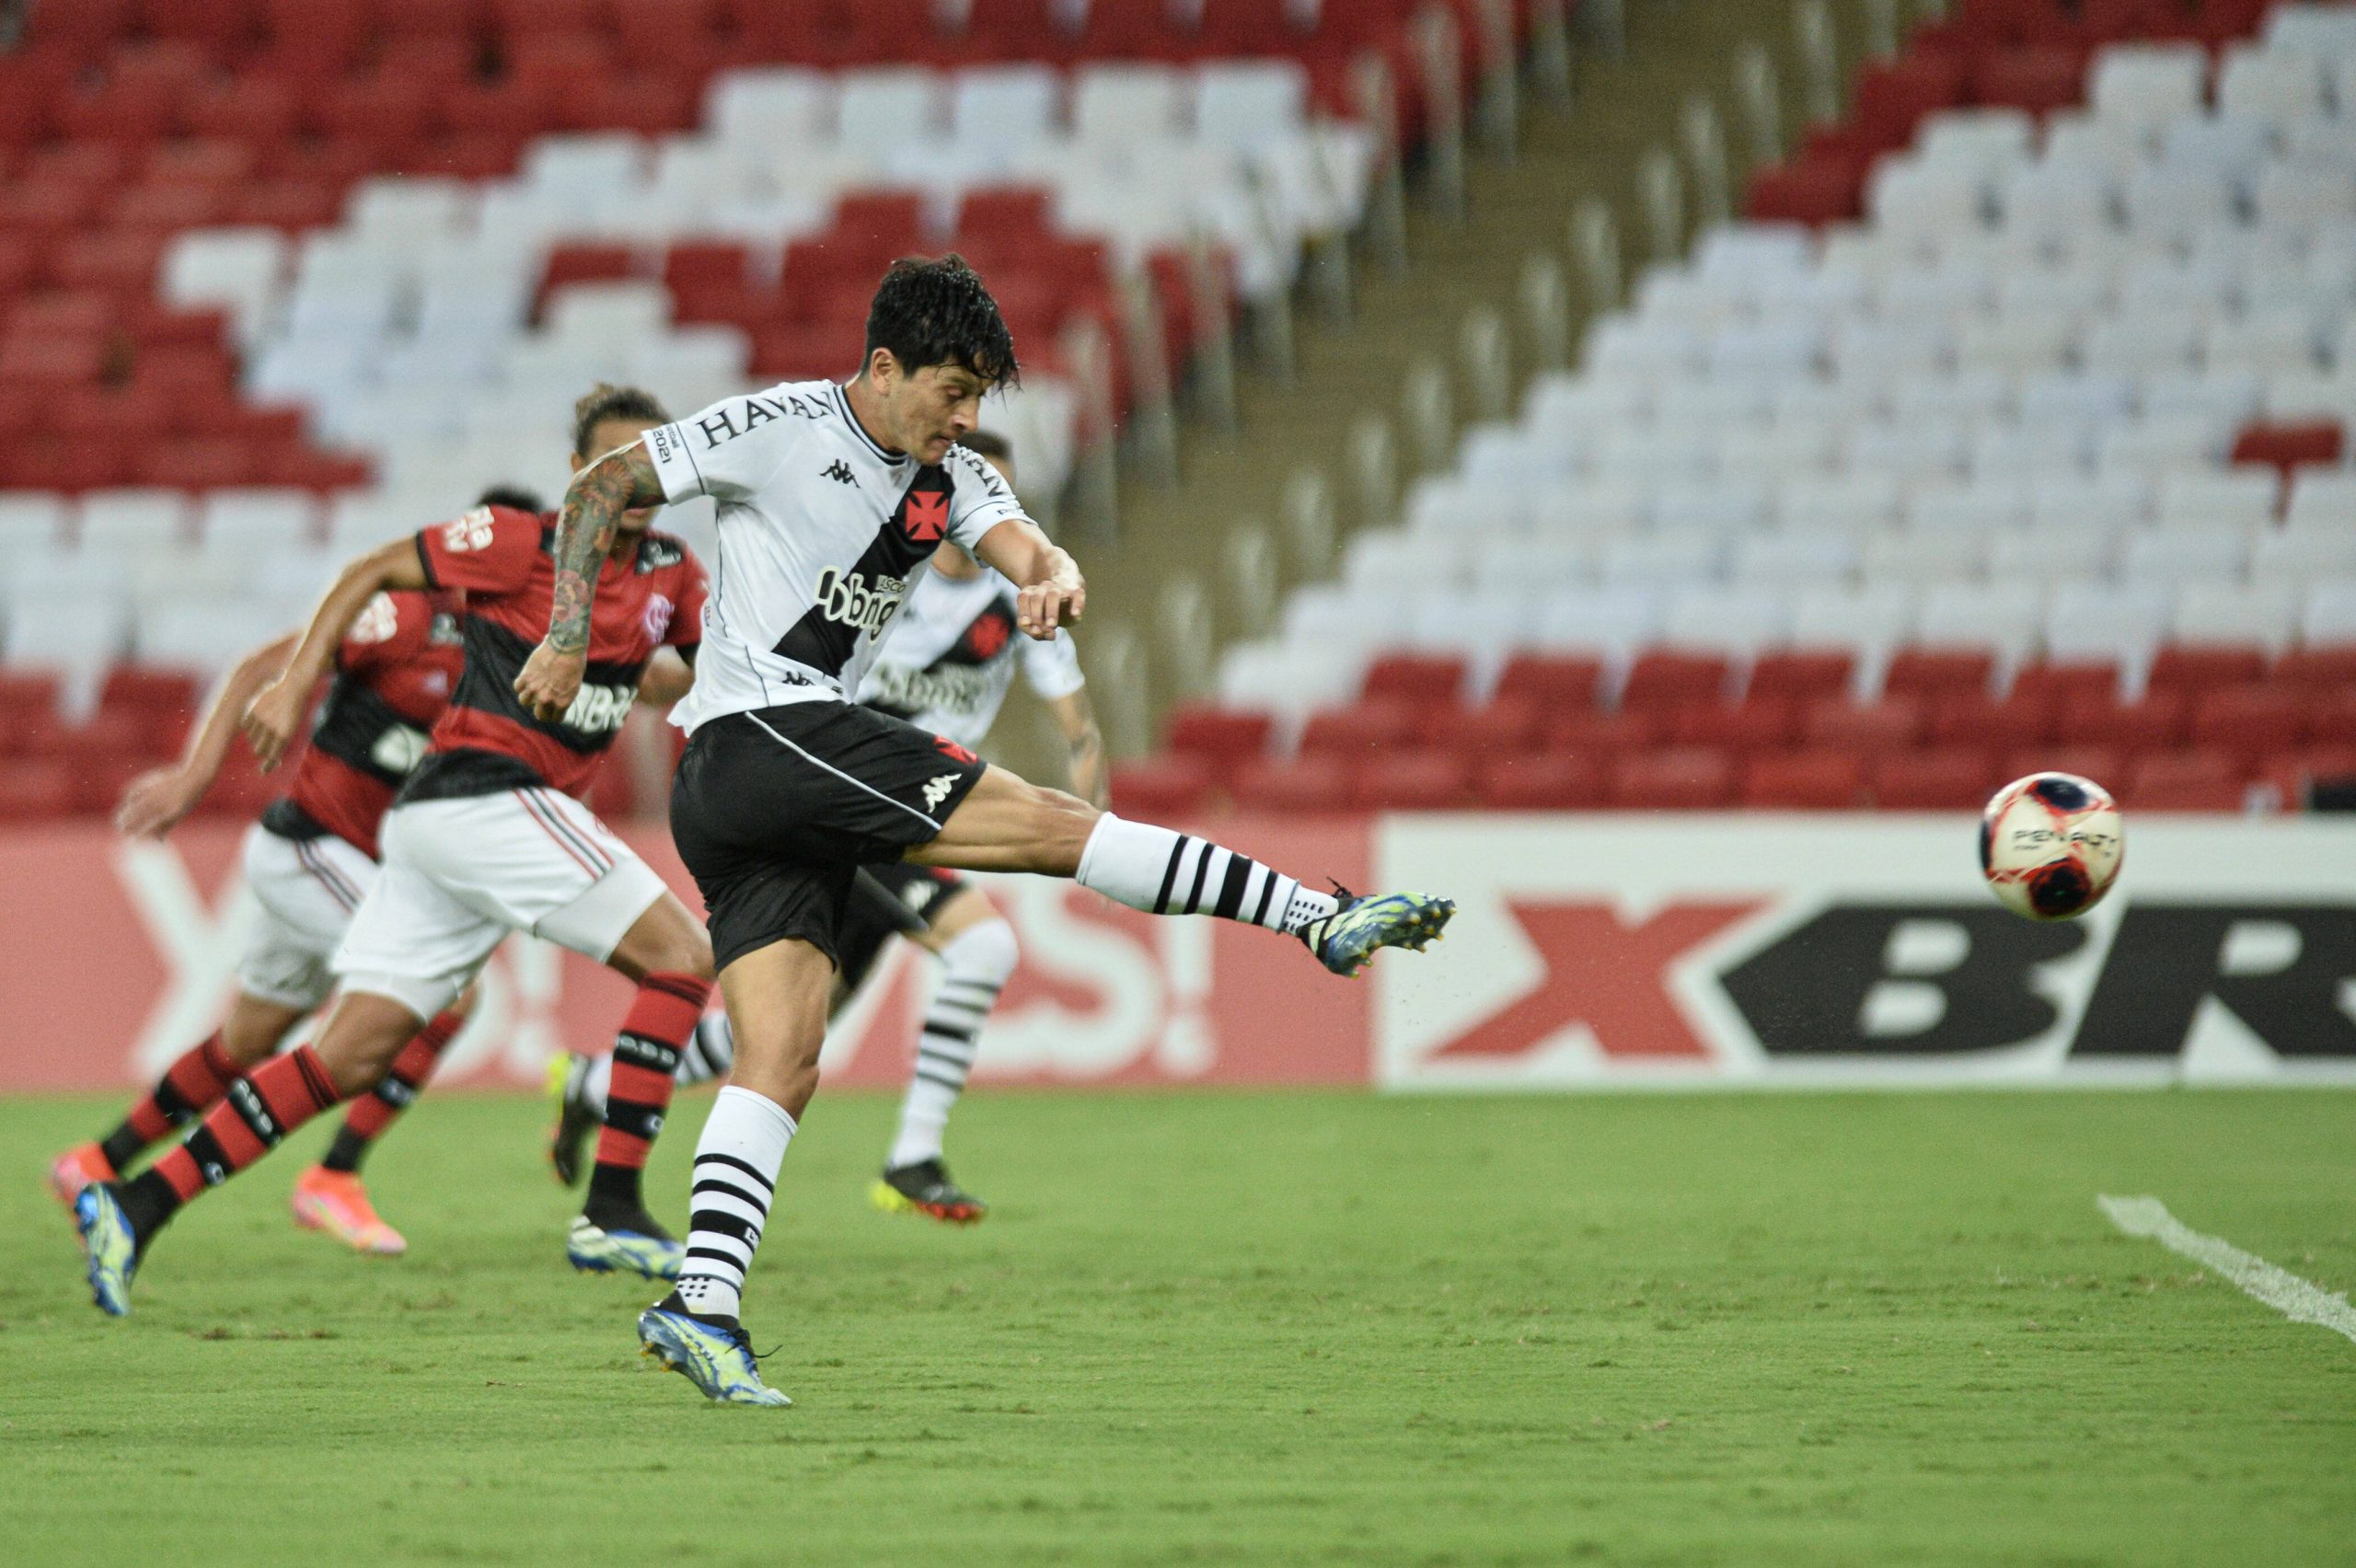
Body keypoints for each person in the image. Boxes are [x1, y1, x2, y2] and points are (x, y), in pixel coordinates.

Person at [513, 257, 1453, 1405]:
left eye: (977, 401)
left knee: (784, 1057)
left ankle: (701, 1304)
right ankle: (1314, 916)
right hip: (765, 734)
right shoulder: (777, 426)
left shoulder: (948, 478)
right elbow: (605, 482)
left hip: (749, 800)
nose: (964, 420)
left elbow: (1027, 546)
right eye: (950, 392)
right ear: (881, 368)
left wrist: (1051, 577)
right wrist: (565, 634)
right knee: (1055, 824)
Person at [73, 386, 713, 1315]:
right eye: (613, 472)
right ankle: (612, 1205)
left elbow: (695, 669)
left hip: (432, 828)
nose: (631, 490)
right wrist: (295, 685)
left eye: (647, 474)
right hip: (484, 797)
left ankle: (137, 1202)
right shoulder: (515, 542)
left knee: (351, 1057)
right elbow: (373, 567)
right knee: (685, 958)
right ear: (577, 476)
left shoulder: (671, 570)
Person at [547, 430, 1106, 1226]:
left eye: (1000, 506)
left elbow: (1078, 727)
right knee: (983, 945)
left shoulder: (1011, 608)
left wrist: (1098, 821)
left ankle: (596, 1084)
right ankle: (914, 1157)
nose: (981, 519)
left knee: (792, 1036)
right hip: (848, 801)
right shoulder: (885, 579)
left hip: (912, 806)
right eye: (968, 504)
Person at [43, 488, 542, 1254]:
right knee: (453, 990)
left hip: (342, 863)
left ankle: (95, 1161)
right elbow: (256, 670)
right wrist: (192, 776)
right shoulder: (407, 616)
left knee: (249, 1038)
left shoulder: (523, 654)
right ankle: (335, 1176)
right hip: (315, 846)